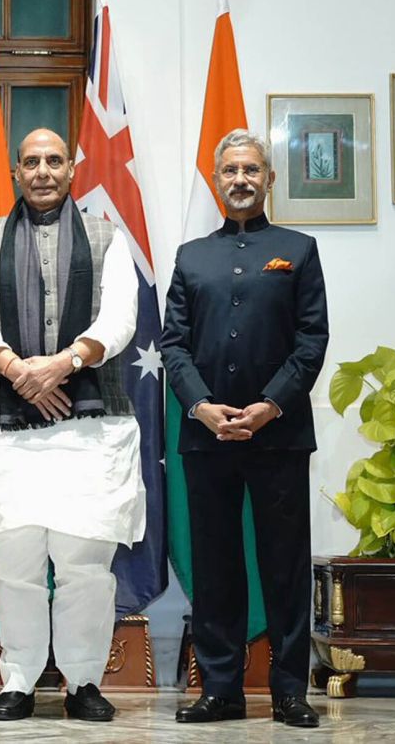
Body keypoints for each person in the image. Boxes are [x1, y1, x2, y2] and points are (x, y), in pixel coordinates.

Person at [0, 128, 146, 722]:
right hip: (4, 425)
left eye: (54, 161)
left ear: (71, 170)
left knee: (85, 564)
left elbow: (120, 318)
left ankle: (83, 682)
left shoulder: (108, 237)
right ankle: (19, 680)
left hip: (91, 425)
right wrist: (18, 371)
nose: (42, 171)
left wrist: (63, 364)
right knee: (14, 564)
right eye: (31, 161)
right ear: (16, 170)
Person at [162, 129, 329, 728]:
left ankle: (289, 690)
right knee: (217, 566)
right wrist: (202, 406)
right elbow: (173, 345)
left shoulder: (299, 250)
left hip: (278, 434)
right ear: (216, 180)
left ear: (269, 179)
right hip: (205, 436)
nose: (240, 179)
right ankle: (222, 688)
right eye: (230, 170)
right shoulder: (190, 256)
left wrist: (269, 405)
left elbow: (312, 342)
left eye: (252, 170)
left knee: (284, 565)